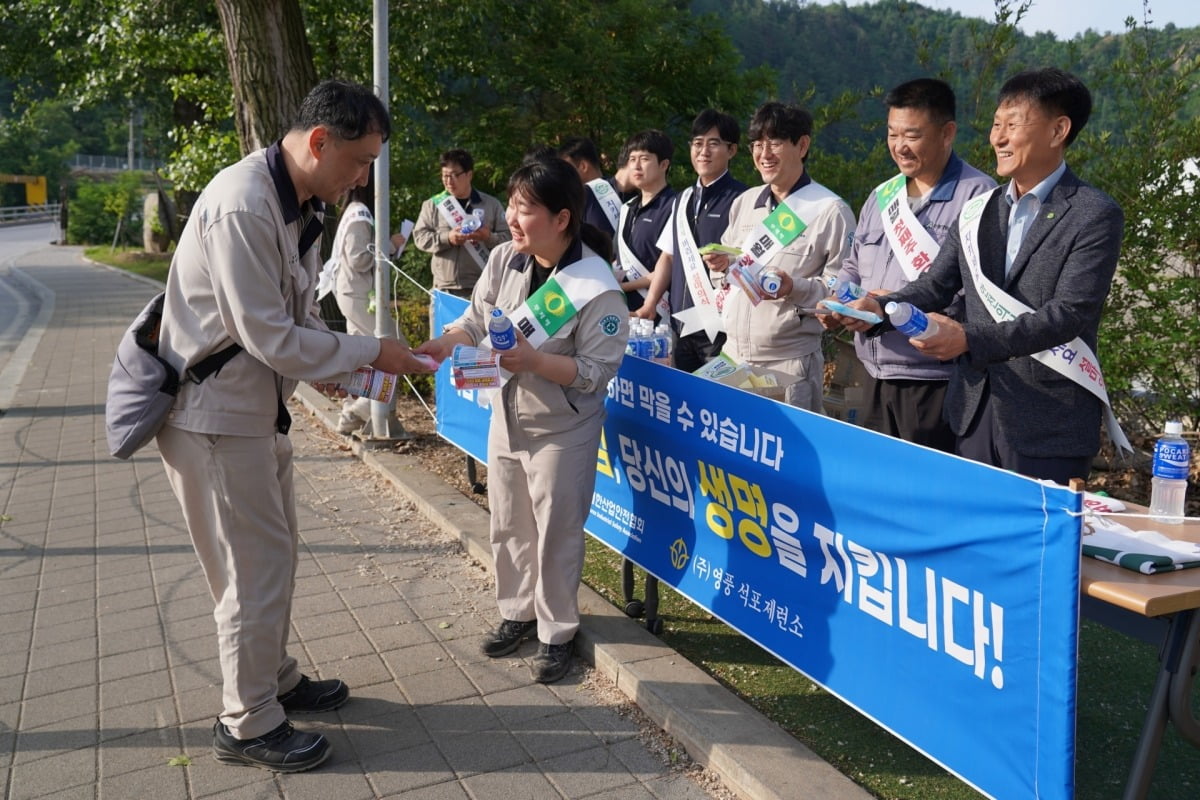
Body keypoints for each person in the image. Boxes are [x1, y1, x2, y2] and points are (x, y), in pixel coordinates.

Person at [155, 79, 434, 773]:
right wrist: (371, 351)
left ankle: (272, 680)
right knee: (250, 570)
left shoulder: (297, 203)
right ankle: (247, 720)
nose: (364, 176)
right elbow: (271, 337)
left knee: (273, 555)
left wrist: (344, 369)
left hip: (254, 411)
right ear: (318, 142)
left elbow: (300, 322)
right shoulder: (245, 205)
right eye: (360, 160)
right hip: (213, 418)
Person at [842, 68, 1124, 484]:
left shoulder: (1093, 213)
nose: (998, 138)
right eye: (996, 124)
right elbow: (936, 285)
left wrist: (968, 339)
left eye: (1013, 125)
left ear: (1058, 130)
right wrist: (879, 308)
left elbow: (1069, 315)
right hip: (971, 412)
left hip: (1046, 422)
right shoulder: (980, 209)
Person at [415, 157, 628, 684]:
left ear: (562, 218)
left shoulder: (597, 288)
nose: (512, 216)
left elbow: (595, 373)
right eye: (511, 203)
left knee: (557, 531)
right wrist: (444, 345)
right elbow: (474, 320)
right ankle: (517, 612)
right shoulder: (506, 259)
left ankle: (557, 633)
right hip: (505, 418)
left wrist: (534, 362)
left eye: (526, 208)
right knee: (508, 521)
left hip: (563, 429)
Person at [820, 78, 995, 451]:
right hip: (872, 372)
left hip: (934, 381)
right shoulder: (882, 196)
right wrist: (839, 303)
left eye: (912, 135)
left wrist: (892, 305)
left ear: (947, 132)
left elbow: (980, 294)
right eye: (891, 133)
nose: (899, 146)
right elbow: (853, 266)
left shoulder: (977, 195)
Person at [705, 102, 856, 412]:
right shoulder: (745, 203)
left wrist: (794, 287)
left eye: (774, 142)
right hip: (733, 356)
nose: (764, 153)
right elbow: (725, 277)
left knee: (782, 457)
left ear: (802, 145)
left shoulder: (831, 211)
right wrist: (720, 268)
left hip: (788, 363)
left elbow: (844, 291)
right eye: (757, 144)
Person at [635, 109, 747, 372]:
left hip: (720, 329)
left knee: (715, 406)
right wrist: (650, 304)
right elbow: (669, 255)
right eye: (697, 143)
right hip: (680, 325)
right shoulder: (682, 199)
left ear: (731, 150)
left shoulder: (743, 199)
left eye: (713, 143)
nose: (703, 151)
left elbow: (750, 260)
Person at [328, 173, 409, 435]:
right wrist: (390, 243)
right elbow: (359, 259)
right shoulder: (360, 214)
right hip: (358, 294)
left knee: (364, 357)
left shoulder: (353, 211)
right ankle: (359, 410)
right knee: (395, 348)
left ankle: (354, 412)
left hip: (352, 293)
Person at [411, 148, 511, 297]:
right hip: (444, 289)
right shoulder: (432, 205)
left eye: (455, 175)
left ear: (469, 174)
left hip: (482, 288)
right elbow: (419, 237)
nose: (449, 181)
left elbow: (510, 240)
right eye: (445, 176)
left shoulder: (491, 205)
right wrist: (448, 238)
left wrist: (488, 237)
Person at [615, 130, 676, 314]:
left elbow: (671, 263)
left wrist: (622, 286)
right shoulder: (627, 208)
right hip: (623, 309)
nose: (636, 166)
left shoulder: (677, 205)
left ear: (664, 164)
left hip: (659, 311)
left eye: (644, 159)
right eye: (632, 159)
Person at [558, 136, 621, 238]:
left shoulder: (580, 199)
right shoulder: (620, 188)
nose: (564, 176)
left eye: (567, 170)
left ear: (583, 166)